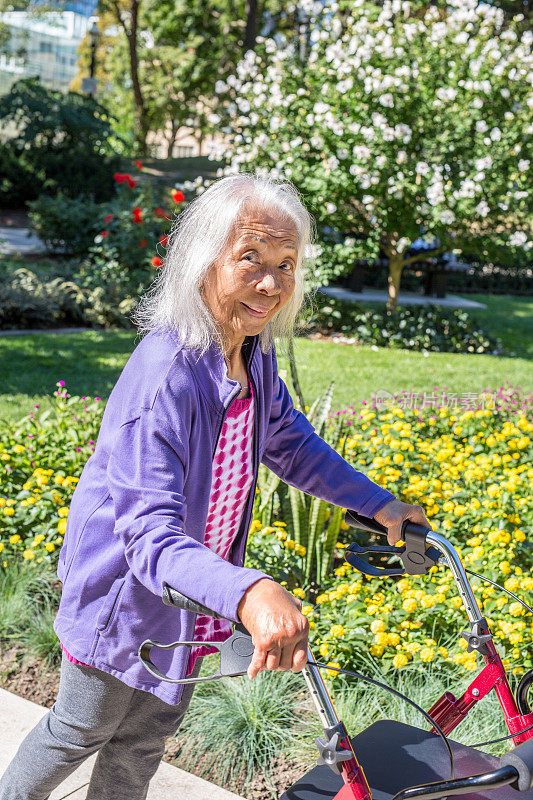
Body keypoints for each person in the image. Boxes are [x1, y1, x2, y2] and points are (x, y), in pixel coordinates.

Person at [0, 174, 430, 800]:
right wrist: (250, 591)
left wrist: (377, 504)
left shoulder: (251, 351)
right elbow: (148, 537)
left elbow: (288, 440)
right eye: (250, 257)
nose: (272, 281)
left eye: (286, 263)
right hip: (125, 599)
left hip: (193, 592)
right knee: (79, 728)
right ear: (203, 262)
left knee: (146, 739)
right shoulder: (165, 378)